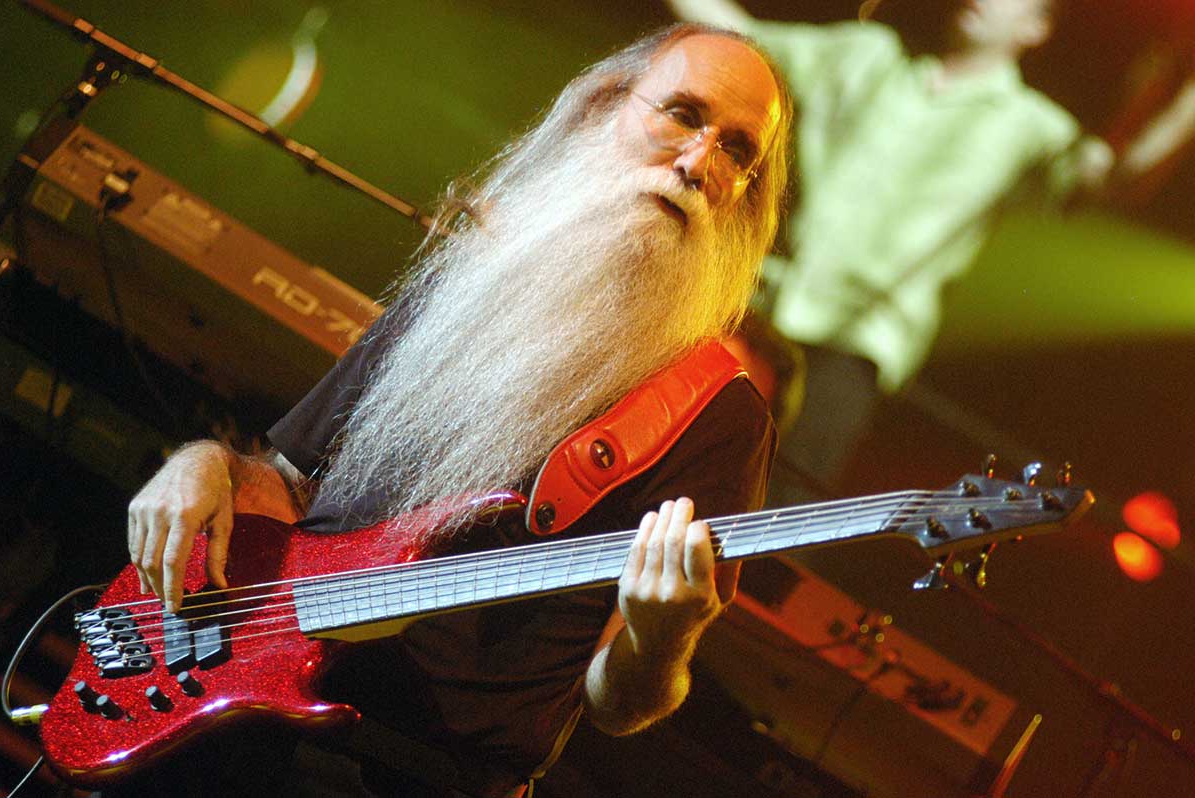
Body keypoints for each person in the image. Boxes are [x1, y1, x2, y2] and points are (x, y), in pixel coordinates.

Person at [121, 23, 792, 798]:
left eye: (737, 150)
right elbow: (286, 483)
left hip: (412, 773)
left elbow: (619, 706)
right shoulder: (471, 280)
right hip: (242, 711)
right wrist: (202, 464)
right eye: (682, 114)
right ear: (604, 107)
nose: (699, 163)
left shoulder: (719, 416)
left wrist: (661, 635)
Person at [665, 0, 1195, 492]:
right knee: (680, 476)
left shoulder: (1033, 125)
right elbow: (739, 38)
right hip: (752, 311)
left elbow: (1115, 179)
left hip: (854, 351)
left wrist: (1185, 108)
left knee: (781, 509)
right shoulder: (865, 55)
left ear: (1036, 27)